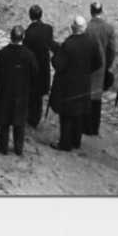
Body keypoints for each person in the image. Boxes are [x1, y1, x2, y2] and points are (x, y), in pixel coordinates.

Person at [48, 16, 101, 151]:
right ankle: (76, 141)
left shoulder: (69, 44)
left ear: (72, 27)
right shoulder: (92, 42)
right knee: (79, 113)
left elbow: (59, 65)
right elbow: (98, 62)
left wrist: (54, 57)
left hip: (69, 84)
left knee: (66, 115)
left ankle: (65, 143)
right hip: (83, 83)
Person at [0, 26, 39, 155]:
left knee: (4, 121)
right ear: (23, 38)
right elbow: (35, 74)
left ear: (11, 37)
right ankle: (18, 148)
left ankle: (3, 147)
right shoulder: (29, 55)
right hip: (22, 93)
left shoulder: (2, 53)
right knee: (19, 122)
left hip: (4, 92)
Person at [84, 2, 117, 137]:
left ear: (91, 11)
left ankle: (85, 126)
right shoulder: (108, 28)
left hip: (88, 64)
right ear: (101, 11)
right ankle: (94, 127)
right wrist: (107, 64)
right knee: (97, 97)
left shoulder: (87, 27)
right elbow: (112, 49)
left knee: (86, 94)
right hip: (101, 65)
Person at [22, 5, 56, 129]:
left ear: (30, 16)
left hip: (33, 66)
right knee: (38, 94)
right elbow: (51, 44)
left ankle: (30, 116)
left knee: (31, 93)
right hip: (43, 66)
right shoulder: (48, 29)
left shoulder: (29, 33)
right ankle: (35, 117)